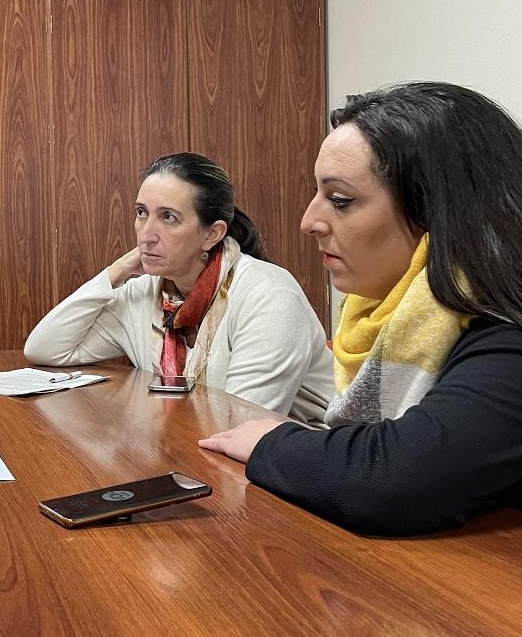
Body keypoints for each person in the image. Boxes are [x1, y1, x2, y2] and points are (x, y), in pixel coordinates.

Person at [200, 82, 522, 536]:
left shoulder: (506, 335)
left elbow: (395, 478)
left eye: (341, 200)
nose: (309, 221)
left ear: (438, 211)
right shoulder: (391, 316)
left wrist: (275, 443)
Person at [25, 153, 333, 422]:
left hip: (301, 470)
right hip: (199, 450)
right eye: (141, 213)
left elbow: (241, 426)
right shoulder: (146, 290)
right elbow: (46, 349)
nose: (146, 234)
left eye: (168, 217)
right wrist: (116, 272)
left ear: (212, 234)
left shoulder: (269, 296)